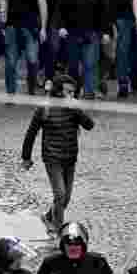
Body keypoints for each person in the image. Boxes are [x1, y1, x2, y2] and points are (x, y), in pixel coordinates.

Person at [21, 74, 95, 233]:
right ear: (58, 91)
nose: (71, 95)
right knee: (60, 194)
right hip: (52, 158)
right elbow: (31, 133)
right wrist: (26, 157)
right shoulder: (45, 108)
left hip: (70, 158)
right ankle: (59, 230)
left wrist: (78, 109)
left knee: (65, 198)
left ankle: (49, 217)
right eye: (68, 91)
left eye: (73, 92)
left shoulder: (74, 109)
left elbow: (89, 125)